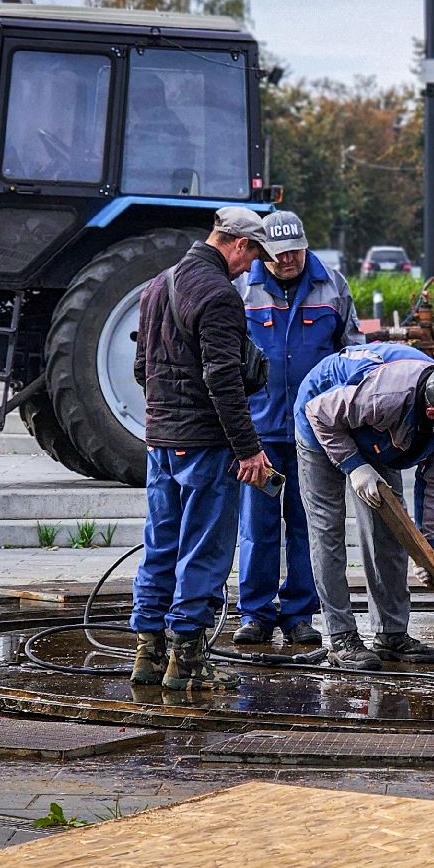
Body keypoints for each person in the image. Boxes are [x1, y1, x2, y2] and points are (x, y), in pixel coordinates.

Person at [128, 206, 274, 691]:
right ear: (238, 244)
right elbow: (223, 379)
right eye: (253, 256)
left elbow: (141, 368)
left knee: (160, 543)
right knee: (204, 550)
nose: (251, 267)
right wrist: (249, 449)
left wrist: (166, 415)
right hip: (205, 443)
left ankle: (147, 654)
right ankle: (186, 657)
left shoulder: (157, 285)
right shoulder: (219, 296)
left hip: (161, 441)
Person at [294, 342, 434, 670]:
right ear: (432, 413)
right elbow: (320, 412)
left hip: (378, 432)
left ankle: (391, 634)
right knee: (328, 532)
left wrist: (428, 548)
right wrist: (354, 466)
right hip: (323, 418)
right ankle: (342, 637)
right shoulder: (386, 396)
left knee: (389, 532)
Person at [231, 210, 362, 647]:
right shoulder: (242, 289)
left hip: (314, 433)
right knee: (257, 525)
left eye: (295, 251)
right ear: (262, 251)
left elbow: (352, 355)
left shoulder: (333, 286)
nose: (287, 260)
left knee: (308, 526)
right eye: (278, 252)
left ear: (306, 245)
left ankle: (300, 615)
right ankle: (255, 613)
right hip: (259, 437)